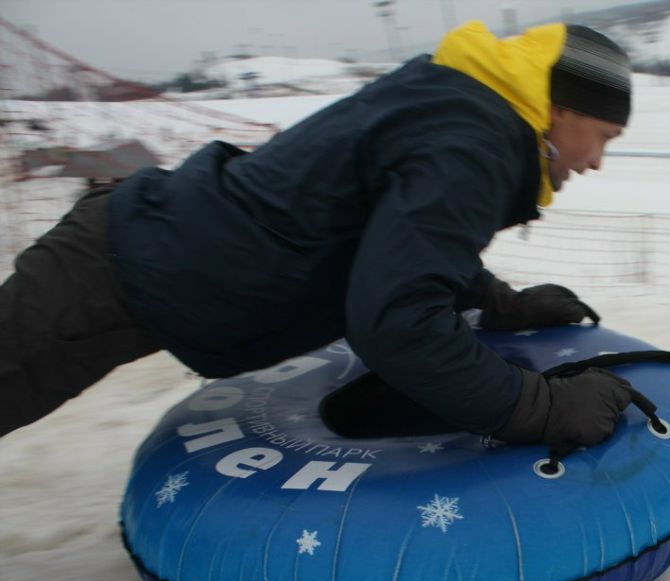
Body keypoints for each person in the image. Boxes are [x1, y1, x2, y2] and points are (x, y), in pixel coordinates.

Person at [0, 21, 635, 447]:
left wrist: (496, 303)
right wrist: (544, 409)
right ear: (561, 108)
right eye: (603, 136)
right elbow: (396, 323)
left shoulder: (463, 110)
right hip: (109, 273)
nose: (597, 162)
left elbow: (390, 235)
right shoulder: (474, 147)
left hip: (142, 254)